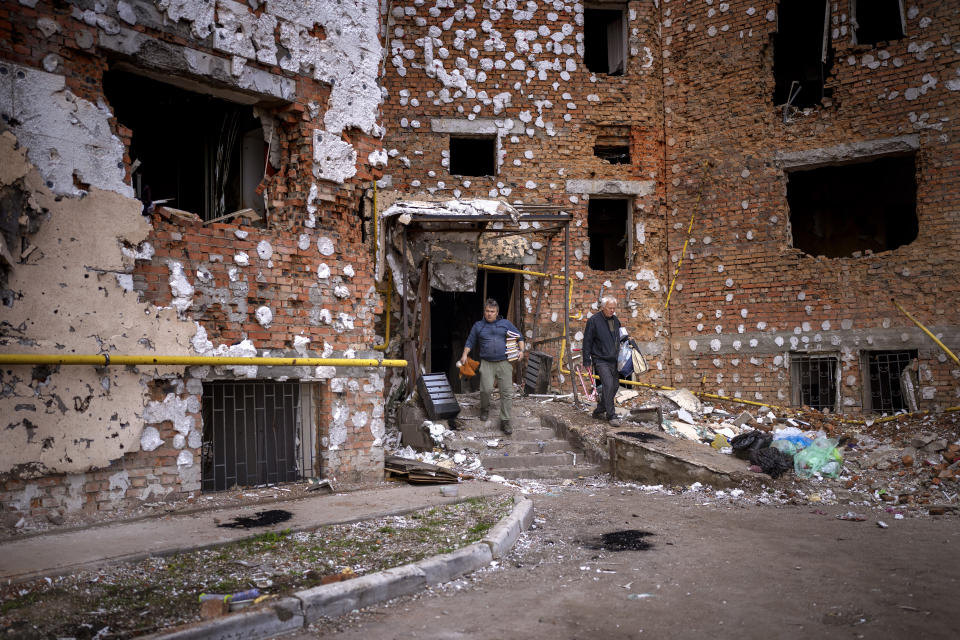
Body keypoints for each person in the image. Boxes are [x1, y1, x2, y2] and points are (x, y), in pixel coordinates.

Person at [457, 299, 525, 434]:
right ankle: (484, 409)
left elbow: (520, 337)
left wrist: (521, 351)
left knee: (506, 392)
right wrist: (465, 355)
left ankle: (505, 421)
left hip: (504, 363)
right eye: (487, 311)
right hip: (487, 362)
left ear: (497, 312)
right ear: (484, 312)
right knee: (486, 389)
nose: (489, 314)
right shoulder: (478, 326)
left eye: (492, 312)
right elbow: (470, 341)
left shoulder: (505, 324)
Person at [582, 296, 622, 426]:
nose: (612, 311)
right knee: (608, 385)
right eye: (610, 308)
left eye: (614, 308)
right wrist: (586, 360)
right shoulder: (594, 321)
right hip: (600, 359)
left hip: (613, 360)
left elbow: (619, 337)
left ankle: (600, 409)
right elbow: (587, 341)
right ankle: (611, 415)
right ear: (603, 307)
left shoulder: (616, 321)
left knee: (615, 386)